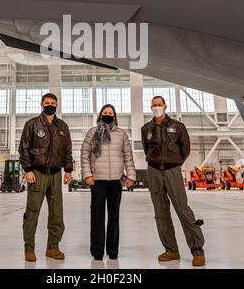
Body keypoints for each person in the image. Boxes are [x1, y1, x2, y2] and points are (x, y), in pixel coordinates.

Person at [141, 95, 206, 266]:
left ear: (165, 106)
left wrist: (174, 164)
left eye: (159, 105)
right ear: (151, 107)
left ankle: (197, 251)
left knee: (183, 209)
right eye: (154, 105)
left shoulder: (178, 127)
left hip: (172, 171)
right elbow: (146, 148)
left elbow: (185, 150)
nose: (157, 107)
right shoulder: (146, 128)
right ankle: (171, 250)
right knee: (161, 213)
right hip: (154, 171)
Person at [19, 92, 73, 262]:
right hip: (37, 173)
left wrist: (69, 171)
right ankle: (29, 248)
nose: (50, 105)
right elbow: (24, 149)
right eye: (47, 102)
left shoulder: (63, 127)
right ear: (42, 104)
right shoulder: (32, 124)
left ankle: (53, 247)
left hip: (56, 174)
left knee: (57, 212)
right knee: (33, 211)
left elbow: (67, 151)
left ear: (57, 105)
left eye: (53, 102)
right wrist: (28, 170)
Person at [81, 104, 136, 261]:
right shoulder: (92, 133)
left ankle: (113, 250)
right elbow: (85, 154)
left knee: (114, 216)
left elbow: (128, 156)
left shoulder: (121, 134)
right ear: (100, 115)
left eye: (110, 113)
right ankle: (97, 251)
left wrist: (130, 175)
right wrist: (87, 174)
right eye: (105, 113)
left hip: (116, 181)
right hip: (97, 180)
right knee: (97, 216)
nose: (107, 115)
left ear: (115, 116)